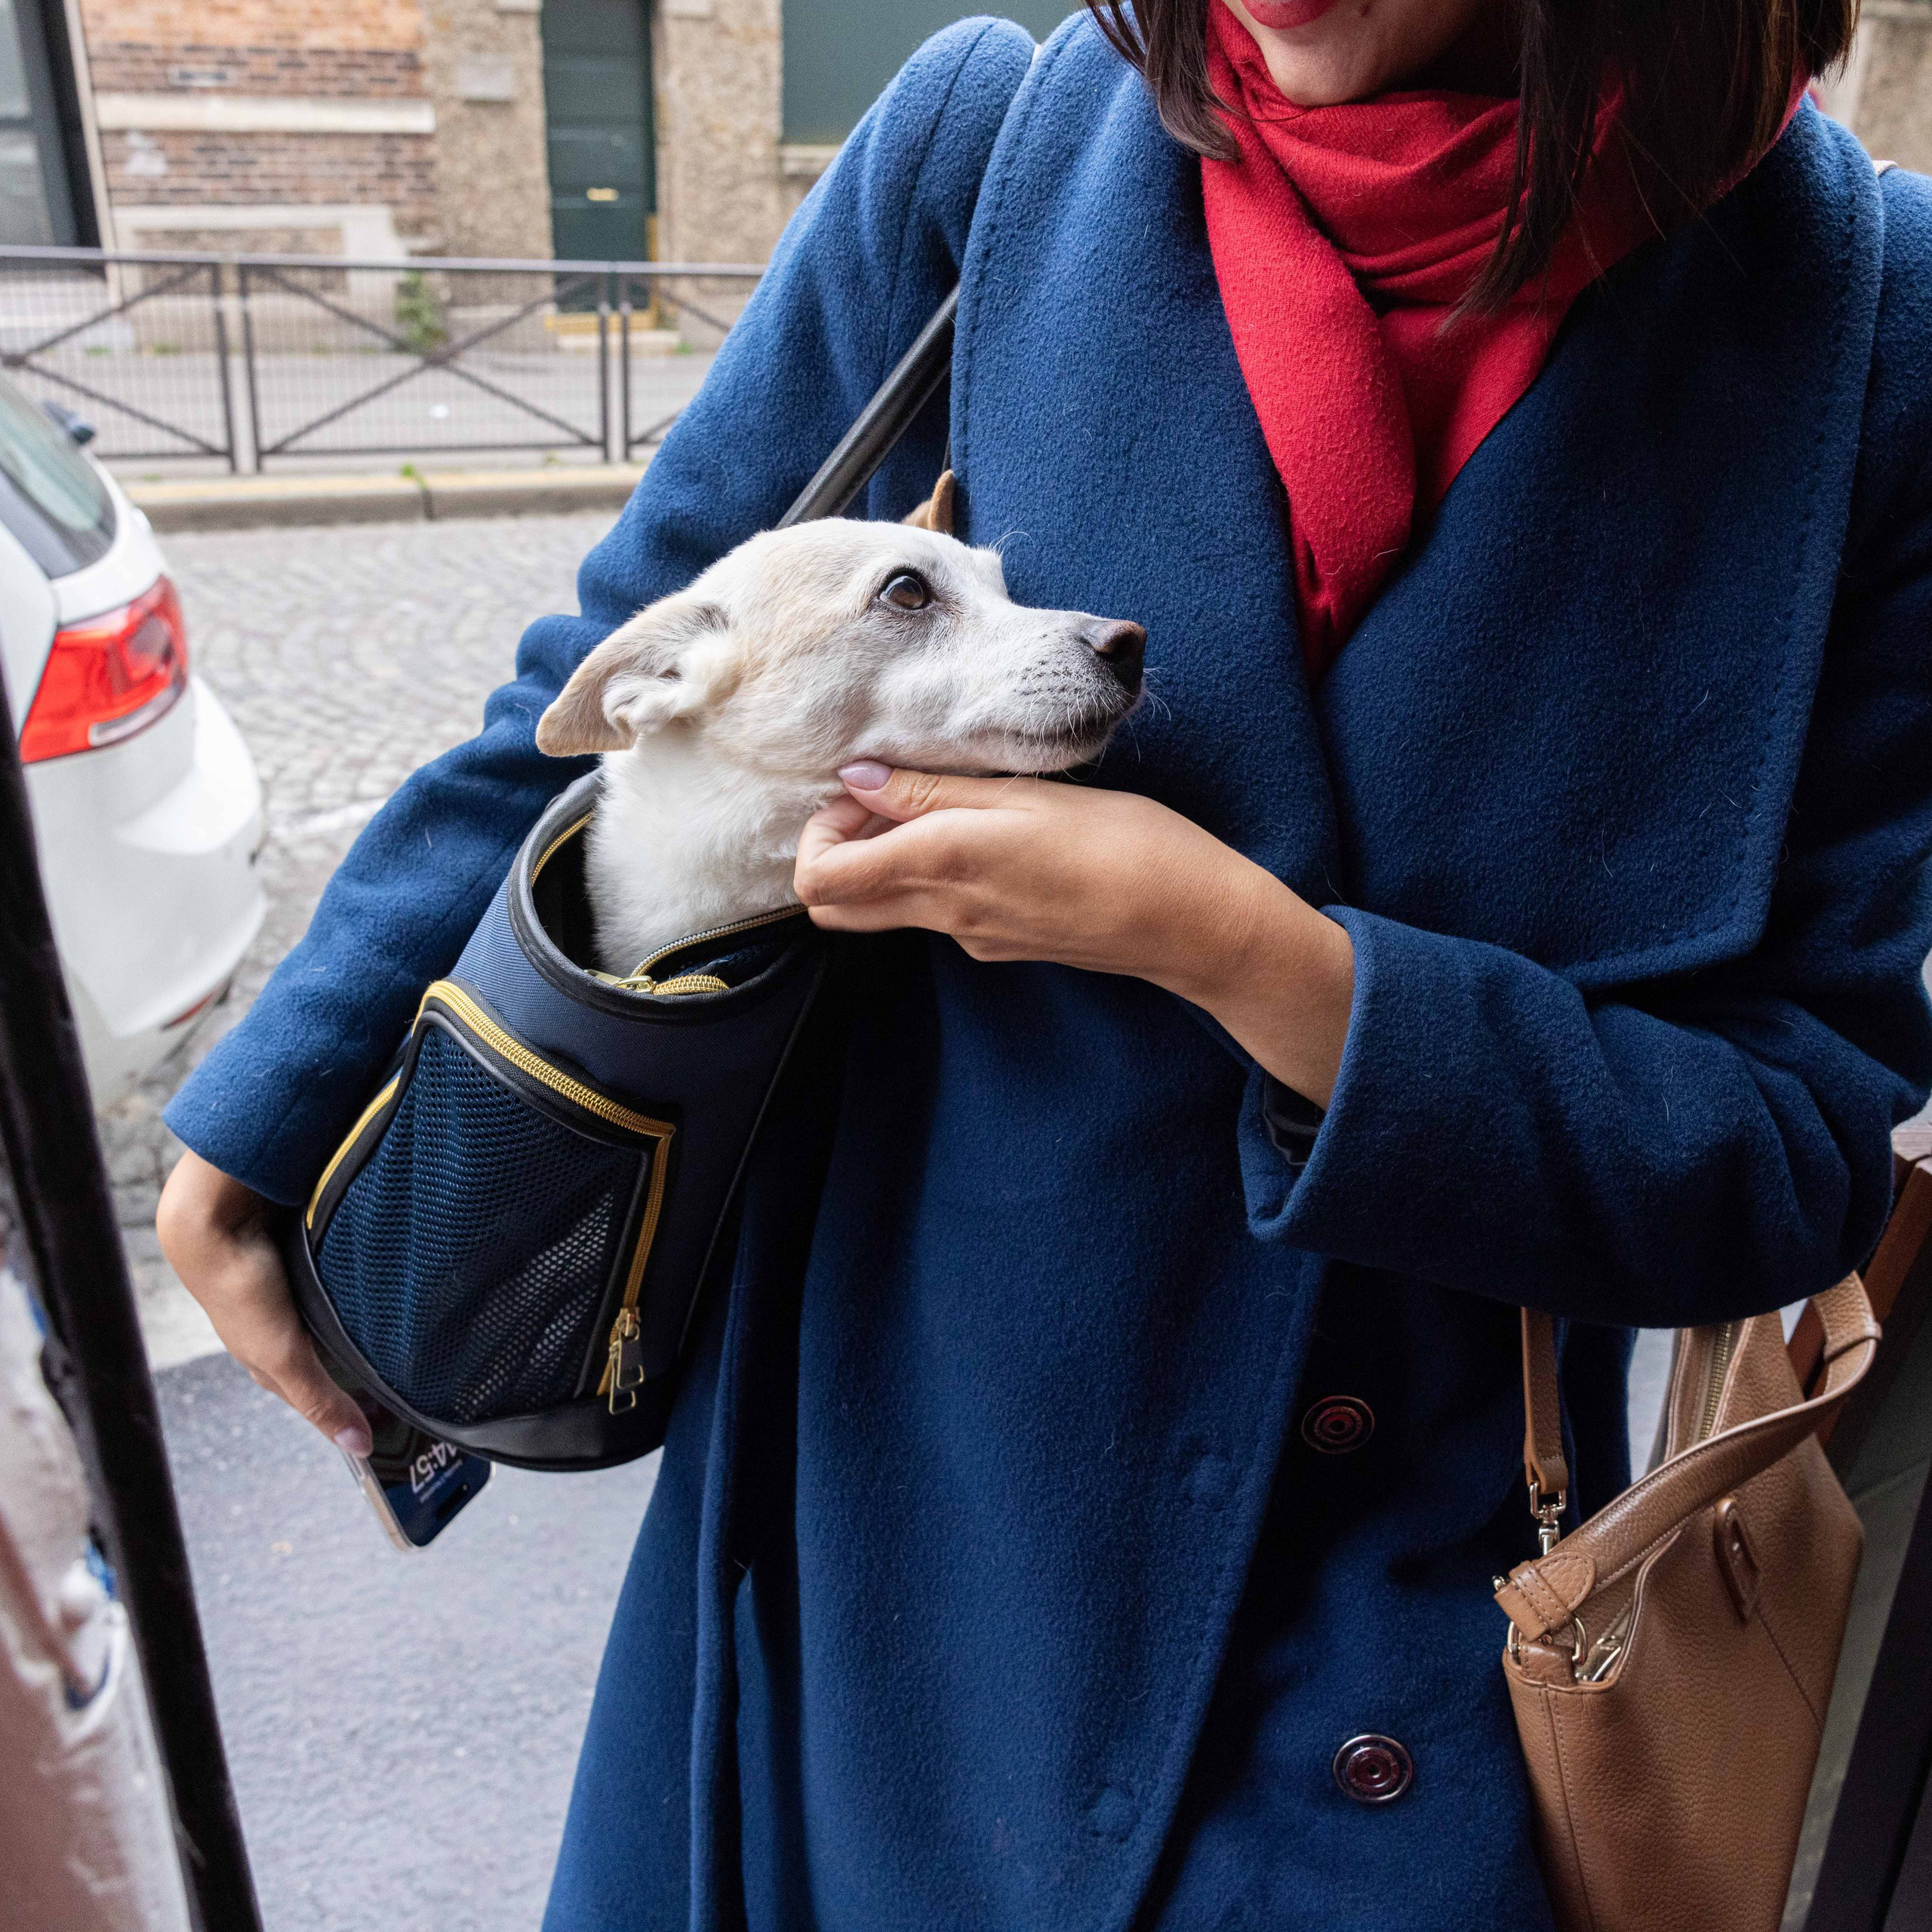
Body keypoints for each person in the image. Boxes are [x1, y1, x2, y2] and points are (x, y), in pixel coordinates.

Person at [157, 0, 1932, 1924]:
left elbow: (1790, 1152)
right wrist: (276, 1104)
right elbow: (609, 672)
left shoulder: (1860, 324)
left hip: (1394, 1654)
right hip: (876, 1542)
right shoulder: (990, 153)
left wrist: (1243, 952)